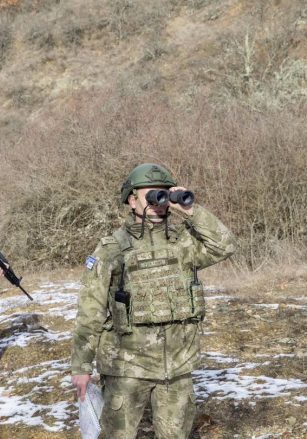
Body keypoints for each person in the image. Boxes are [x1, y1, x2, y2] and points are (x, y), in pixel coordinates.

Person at [70, 163, 237, 439]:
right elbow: (90, 310)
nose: (159, 202)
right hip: (126, 367)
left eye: (165, 194)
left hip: (178, 366)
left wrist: (191, 211)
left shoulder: (183, 243)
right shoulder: (112, 248)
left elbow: (226, 245)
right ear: (132, 200)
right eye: (152, 195)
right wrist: (81, 367)